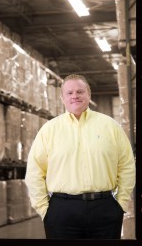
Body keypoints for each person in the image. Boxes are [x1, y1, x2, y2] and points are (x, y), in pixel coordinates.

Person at [25, 74, 135, 239]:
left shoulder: (110, 126)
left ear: (88, 95)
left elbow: (127, 164)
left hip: (105, 209)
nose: (75, 96)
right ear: (62, 98)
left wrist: (121, 203)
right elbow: (34, 171)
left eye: (80, 91)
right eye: (69, 93)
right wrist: (44, 209)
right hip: (61, 211)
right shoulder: (49, 130)